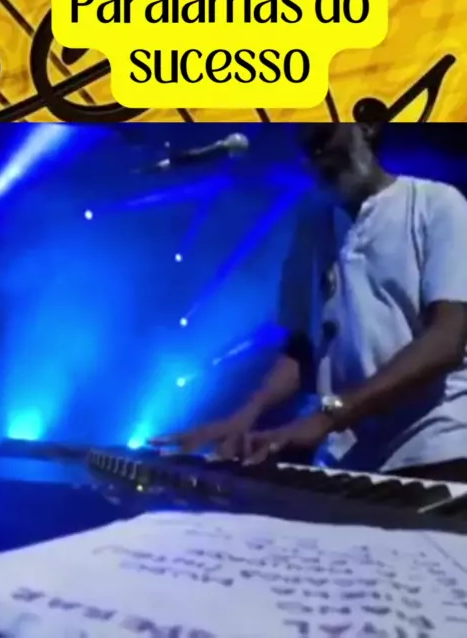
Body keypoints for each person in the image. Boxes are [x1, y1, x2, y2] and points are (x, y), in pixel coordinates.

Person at [152, 124, 467, 483]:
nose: (317, 158)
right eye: (306, 149)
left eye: (324, 138)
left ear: (367, 126)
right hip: (351, 461)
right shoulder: (313, 224)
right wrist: (244, 417)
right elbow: (302, 350)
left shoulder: (438, 203)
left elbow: (446, 341)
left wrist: (327, 417)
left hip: (437, 448)